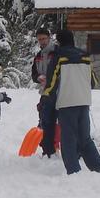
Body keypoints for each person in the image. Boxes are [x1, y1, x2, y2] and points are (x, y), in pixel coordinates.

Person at [42, 29, 100, 175]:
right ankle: (99, 167)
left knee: (68, 138)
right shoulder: (85, 56)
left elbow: (51, 83)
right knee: (85, 138)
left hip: (67, 102)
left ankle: (74, 171)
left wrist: (46, 97)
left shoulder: (59, 57)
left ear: (59, 41)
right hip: (84, 101)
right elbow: (93, 82)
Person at [31, 27, 58, 157]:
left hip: (58, 92)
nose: (41, 41)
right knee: (44, 121)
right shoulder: (38, 56)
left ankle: (60, 148)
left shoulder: (57, 52)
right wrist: (38, 77)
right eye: (39, 39)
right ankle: (48, 150)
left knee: (60, 122)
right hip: (44, 93)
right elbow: (33, 73)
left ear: (49, 37)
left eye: (43, 39)